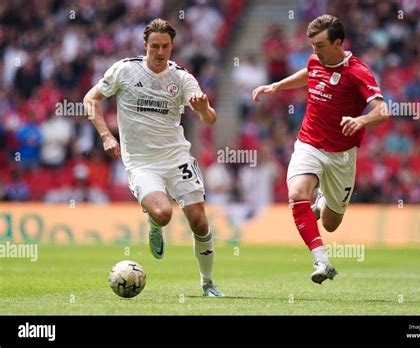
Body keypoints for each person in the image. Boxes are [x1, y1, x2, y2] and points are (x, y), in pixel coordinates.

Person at [83, 18, 223, 297]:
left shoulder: (182, 77)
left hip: (177, 157)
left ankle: (207, 283)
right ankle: (154, 222)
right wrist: (107, 135)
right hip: (142, 162)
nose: (160, 52)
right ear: (145, 46)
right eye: (155, 46)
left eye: (166, 47)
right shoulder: (124, 70)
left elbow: (210, 119)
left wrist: (205, 108)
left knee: (200, 223)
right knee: (163, 213)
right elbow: (90, 99)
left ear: (172, 46)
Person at [252, 15, 389, 284]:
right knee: (296, 193)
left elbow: (382, 110)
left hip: (341, 156)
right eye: (312, 45)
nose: (315, 51)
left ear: (338, 43)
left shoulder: (357, 72)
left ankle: (323, 201)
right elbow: (309, 72)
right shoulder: (317, 60)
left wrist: (360, 120)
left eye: (321, 45)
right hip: (309, 144)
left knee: (330, 223)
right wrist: (278, 85)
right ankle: (322, 261)